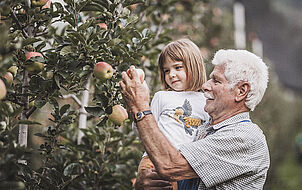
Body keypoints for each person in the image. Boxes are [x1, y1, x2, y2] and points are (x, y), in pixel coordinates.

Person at [120, 49, 270, 189]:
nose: (205, 85)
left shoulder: (244, 138)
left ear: (241, 91)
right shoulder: (204, 129)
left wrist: (140, 107)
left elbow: (170, 166)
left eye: (216, 81)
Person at [131, 39, 210, 190]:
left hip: (182, 165)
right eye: (166, 70)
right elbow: (143, 129)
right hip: (153, 161)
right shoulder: (162, 97)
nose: (171, 75)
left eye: (178, 67)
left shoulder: (206, 101)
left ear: (194, 66)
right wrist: (135, 113)